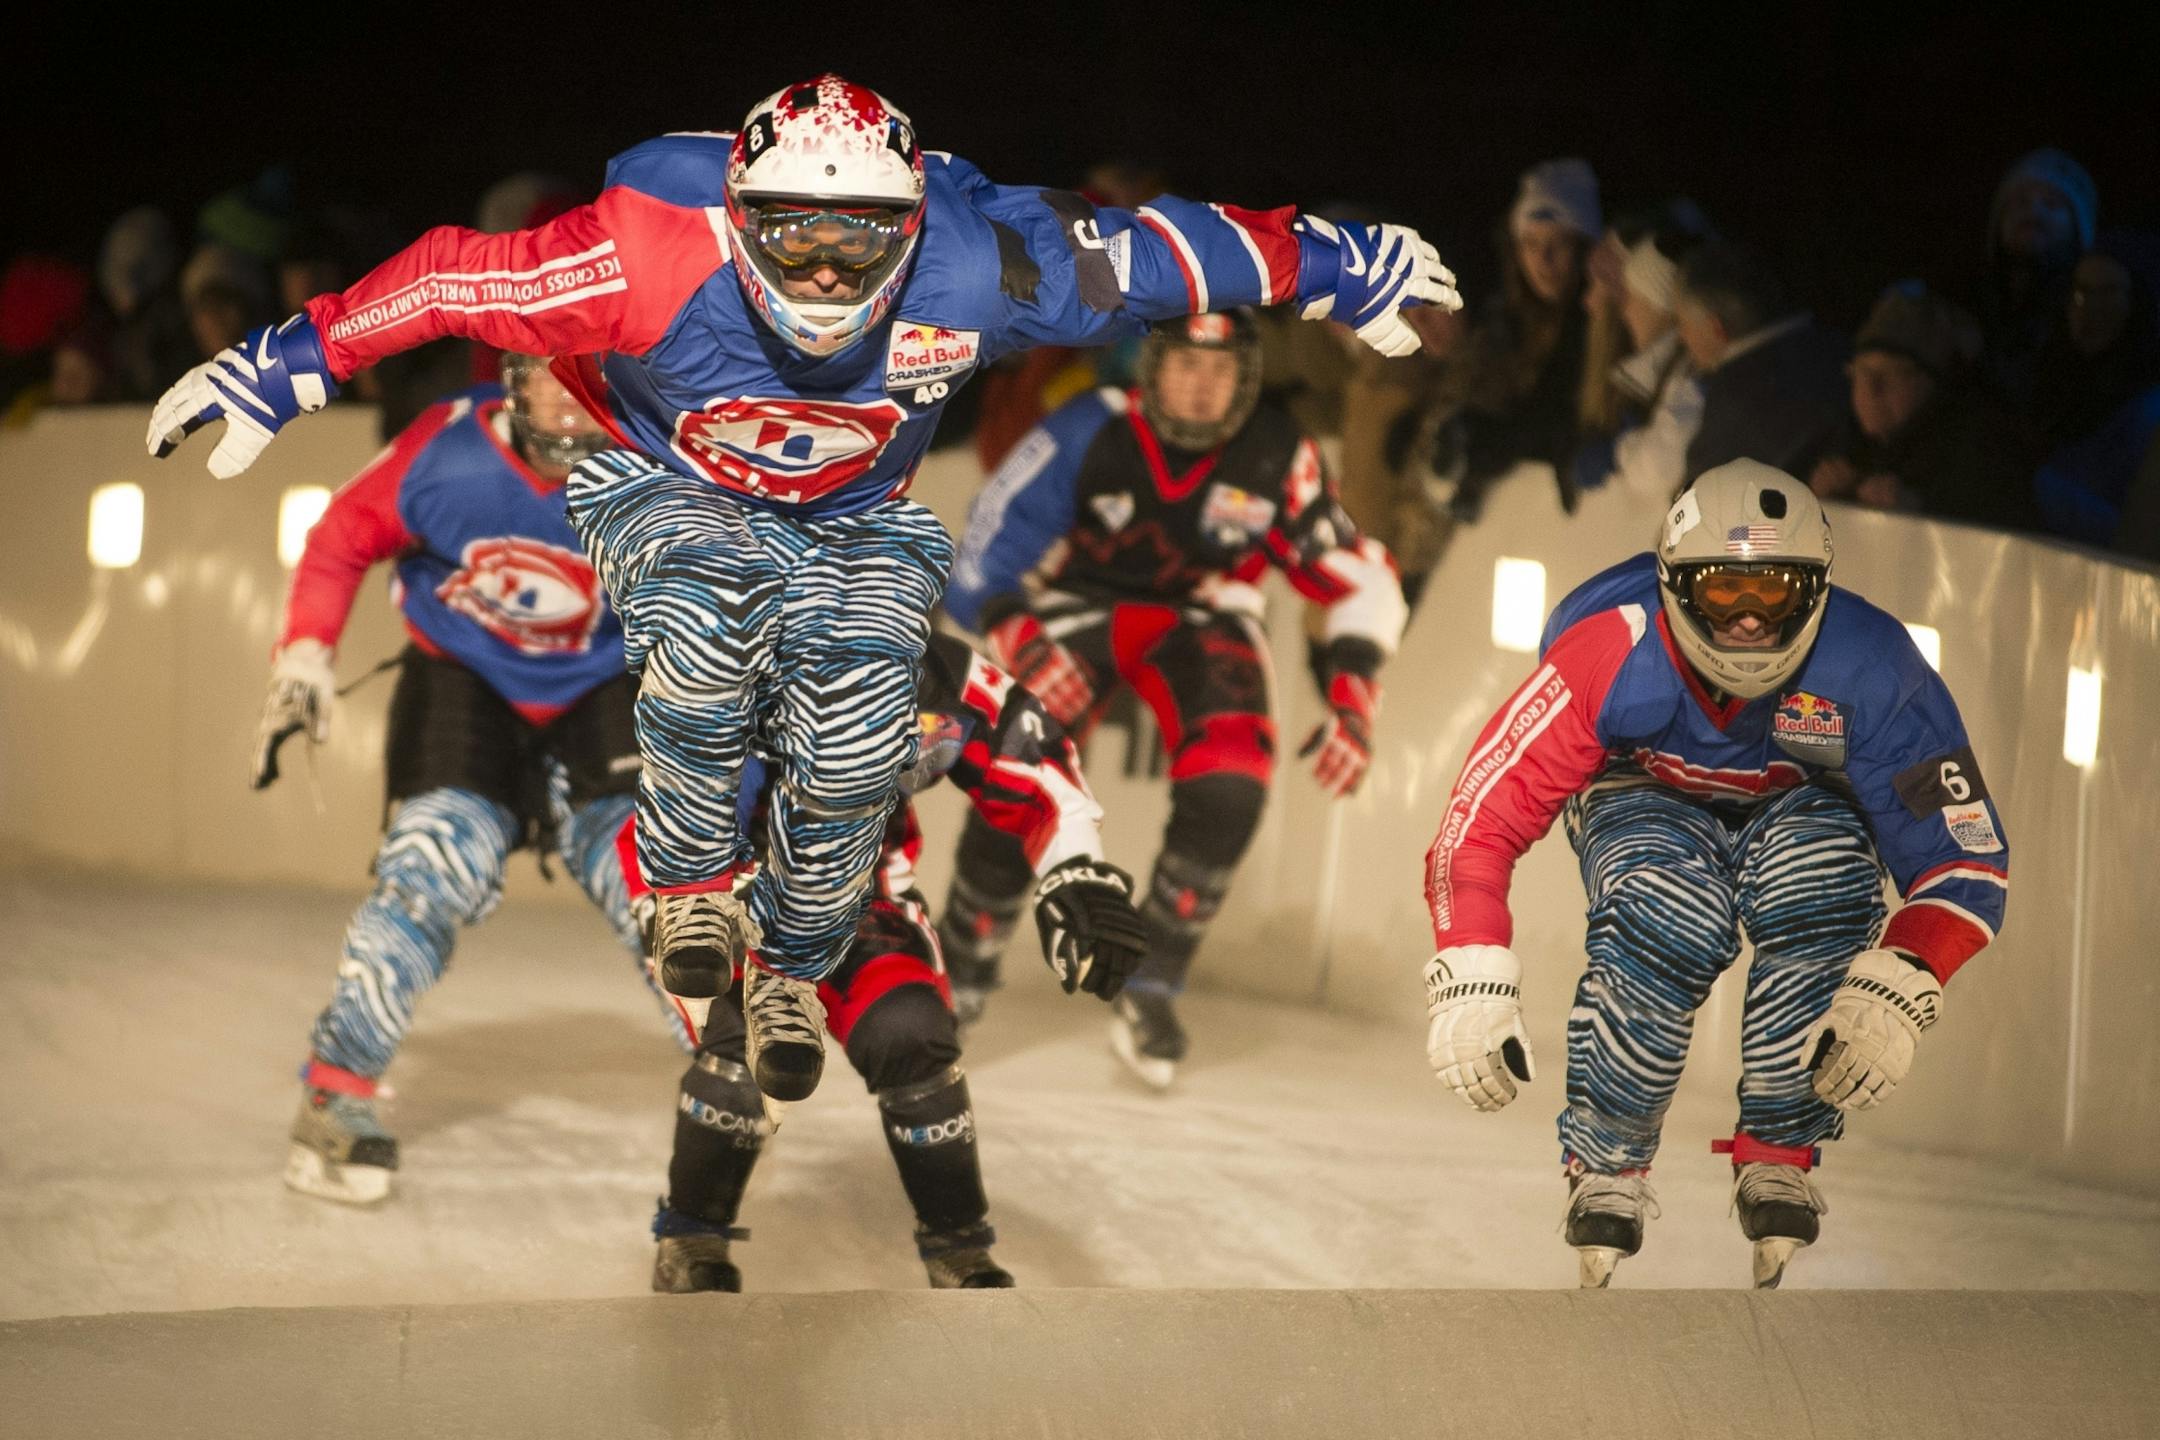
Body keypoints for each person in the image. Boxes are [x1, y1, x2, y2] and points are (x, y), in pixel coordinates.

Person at [147, 74, 1462, 1109]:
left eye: (859, 244)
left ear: (911, 230)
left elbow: (1168, 256)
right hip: (664, 482)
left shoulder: (984, 262)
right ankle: (677, 888)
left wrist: (1342, 264)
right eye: (794, 239)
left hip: (840, 519)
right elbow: (448, 275)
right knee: (695, 614)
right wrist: (286, 364)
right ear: (739, 218)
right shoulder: (643, 257)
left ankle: (784, 951)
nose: (826, 275)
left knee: (849, 749)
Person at [1420, 460, 2008, 1287]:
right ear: (1670, 587)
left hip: (1804, 801)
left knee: (1823, 888)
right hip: (1641, 789)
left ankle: (1778, 1143)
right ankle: (1608, 1160)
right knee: (1667, 914)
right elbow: (1480, 820)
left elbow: (1964, 852)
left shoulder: (1874, 673)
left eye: (1773, 593)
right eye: (1721, 593)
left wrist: (1905, 973)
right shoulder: (1607, 649)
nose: (1746, 623)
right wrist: (1471, 966)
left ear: (1817, 592)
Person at [939, 311, 1408, 1087]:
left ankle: (1151, 981)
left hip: (1206, 617)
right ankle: (962, 966)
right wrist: (1021, 639)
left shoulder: (1274, 450)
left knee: (1234, 780)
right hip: (1074, 609)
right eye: (1187, 364)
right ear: (1150, 367)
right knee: (1016, 757)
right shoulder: (1087, 426)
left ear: (1247, 380)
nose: (1202, 387)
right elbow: (982, 551)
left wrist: (1354, 701)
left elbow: (1357, 574)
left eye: (1221, 371)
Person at [260, 353, 683, 1204]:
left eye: (591, 380)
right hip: (465, 676)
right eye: (551, 379)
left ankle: (728, 1078)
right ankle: (336, 1095)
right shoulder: (446, 451)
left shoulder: (664, 463)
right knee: (430, 871)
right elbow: (343, 536)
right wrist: (306, 646)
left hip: (602, 681)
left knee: (663, 884)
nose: (571, 406)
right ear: (514, 382)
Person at [637, 634, 1145, 1291]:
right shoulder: (710, 658)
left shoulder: (948, 676)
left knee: (910, 1032)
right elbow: (646, 790)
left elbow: (1031, 754)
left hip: (867, 901)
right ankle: (692, 1235)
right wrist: (671, 898)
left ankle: (959, 1247)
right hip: (731, 901)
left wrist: (1075, 867)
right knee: (740, 1050)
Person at [1809, 281, 2038, 530]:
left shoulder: (1982, 450)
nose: (1871, 390)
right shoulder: (1844, 443)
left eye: (1891, 373)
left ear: (1931, 384)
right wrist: (1820, 503)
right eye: (1862, 372)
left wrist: (1925, 515)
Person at [1673, 241, 1849, 485]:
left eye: (1683, 324)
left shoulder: (1737, 394)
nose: (1681, 337)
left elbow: (1696, 499)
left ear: (1716, 329)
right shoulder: (1837, 349)